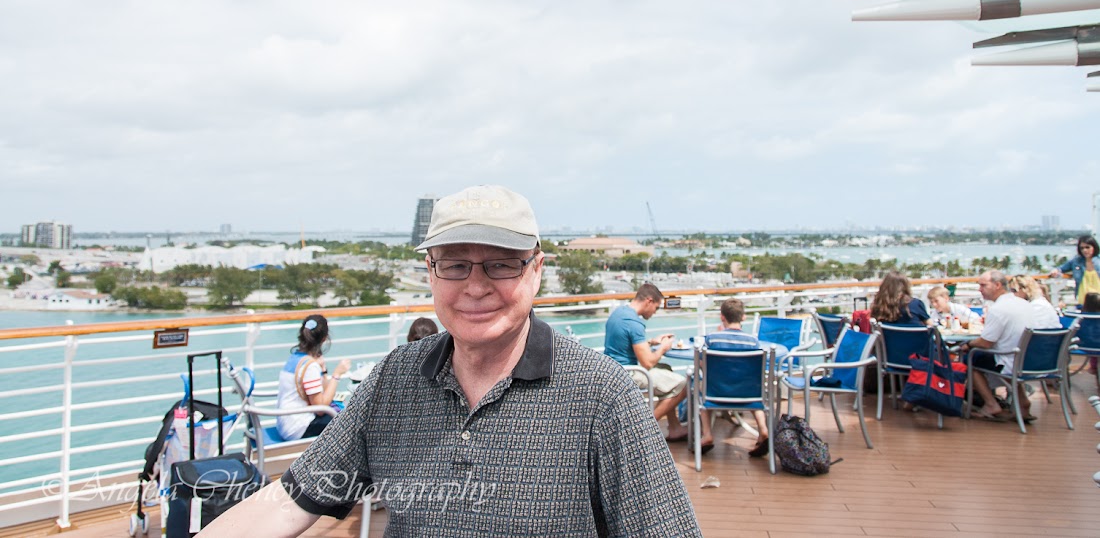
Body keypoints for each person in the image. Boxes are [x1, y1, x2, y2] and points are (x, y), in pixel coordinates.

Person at [198, 185, 700, 537]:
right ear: (430, 272)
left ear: (536, 271)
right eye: (455, 265)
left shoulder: (602, 395)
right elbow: (291, 500)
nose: (475, 287)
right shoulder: (394, 380)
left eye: (501, 264)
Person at [604, 283, 712, 449]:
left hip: (613, 370)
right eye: (656, 307)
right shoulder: (634, 323)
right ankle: (644, 428)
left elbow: (625, 344)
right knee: (685, 384)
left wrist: (651, 342)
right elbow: (647, 363)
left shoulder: (619, 313)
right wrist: (663, 348)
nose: (655, 312)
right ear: (649, 301)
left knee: (666, 369)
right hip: (629, 374)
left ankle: (675, 428)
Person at [958, 270, 1036, 422]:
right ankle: (1023, 402)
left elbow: (985, 342)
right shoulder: (1024, 304)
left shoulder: (998, 309)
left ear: (998, 285)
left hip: (1009, 361)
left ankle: (991, 404)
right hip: (1028, 359)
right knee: (999, 356)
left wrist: (968, 344)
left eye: (983, 285)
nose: (980, 289)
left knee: (970, 359)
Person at [703, 297, 770, 458]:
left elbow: (703, 364)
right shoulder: (753, 342)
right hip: (747, 395)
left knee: (700, 386)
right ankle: (763, 429)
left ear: (722, 317)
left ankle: (707, 434)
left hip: (716, 394)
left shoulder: (712, 338)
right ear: (743, 317)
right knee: (754, 389)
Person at [276, 315, 351, 440]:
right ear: (324, 339)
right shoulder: (309, 366)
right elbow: (320, 408)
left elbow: (323, 394)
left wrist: (323, 370)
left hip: (286, 424)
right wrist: (337, 375)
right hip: (298, 428)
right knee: (350, 422)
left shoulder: (295, 358)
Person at [1050, 234, 1100, 306]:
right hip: (1082, 301)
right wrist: (1055, 271)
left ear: (1094, 247)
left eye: (1087, 247)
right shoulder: (1076, 261)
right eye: (1082, 248)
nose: (1085, 250)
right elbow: (1061, 268)